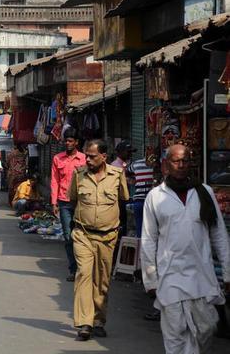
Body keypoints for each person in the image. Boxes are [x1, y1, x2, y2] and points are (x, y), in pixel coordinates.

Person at [141, 144, 230, 354]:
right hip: (170, 277)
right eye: (176, 161)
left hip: (201, 277)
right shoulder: (155, 197)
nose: (181, 165)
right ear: (166, 165)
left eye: (185, 161)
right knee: (176, 336)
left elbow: (219, 235)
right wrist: (150, 279)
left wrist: (227, 272)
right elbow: (148, 240)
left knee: (206, 329)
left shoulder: (204, 192)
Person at [69, 139, 129, 341]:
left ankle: (98, 320)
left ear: (104, 157)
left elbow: (122, 202)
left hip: (108, 236)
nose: (88, 159)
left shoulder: (117, 175)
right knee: (84, 274)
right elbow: (73, 201)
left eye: (92, 156)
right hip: (83, 234)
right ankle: (84, 323)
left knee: (102, 280)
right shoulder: (78, 175)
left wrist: (120, 231)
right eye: (86, 155)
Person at [51, 128, 86, 282]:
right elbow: (55, 181)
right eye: (66, 140)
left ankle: (83, 267)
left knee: (82, 235)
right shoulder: (58, 159)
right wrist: (54, 202)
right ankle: (73, 269)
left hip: (82, 202)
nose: (67, 143)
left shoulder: (85, 159)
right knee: (67, 235)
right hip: (64, 202)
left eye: (71, 141)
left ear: (76, 142)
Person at [111, 140, 135, 241]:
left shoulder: (128, 165)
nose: (130, 154)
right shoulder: (114, 166)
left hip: (128, 199)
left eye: (130, 152)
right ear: (120, 152)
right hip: (119, 201)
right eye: (127, 151)